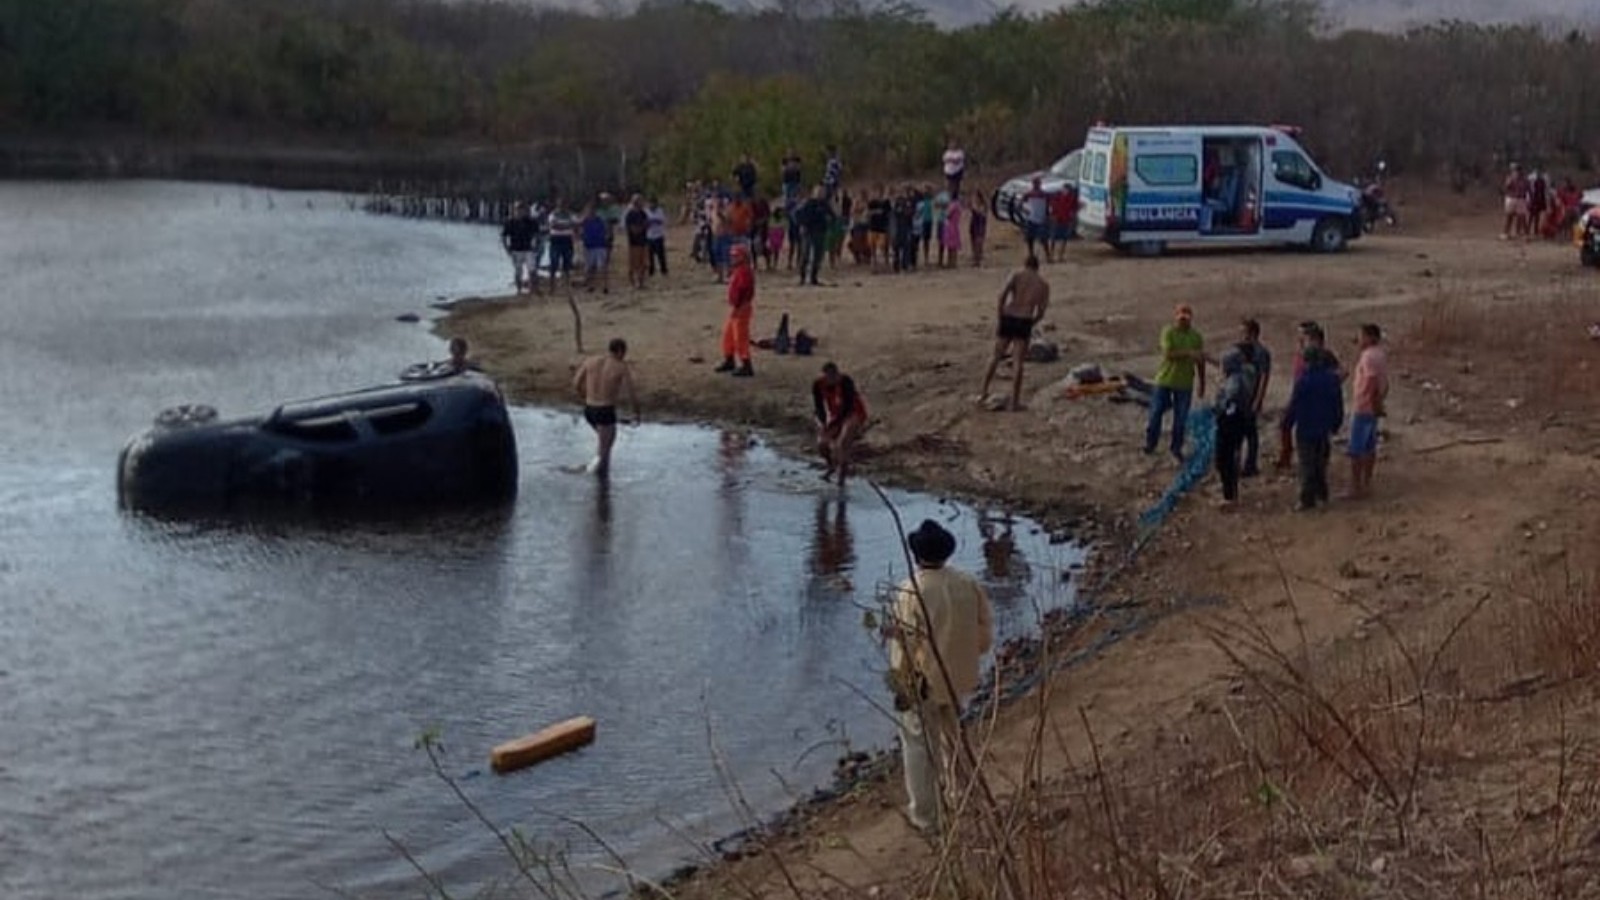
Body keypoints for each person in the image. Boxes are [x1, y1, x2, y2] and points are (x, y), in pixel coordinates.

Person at [885, 519, 994, 835]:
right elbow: (985, 635)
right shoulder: (968, 582)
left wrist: (900, 682)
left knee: (919, 746)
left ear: (916, 554)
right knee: (955, 739)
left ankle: (926, 816)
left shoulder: (910, 591)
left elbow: (903, 645)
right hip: (959, 677)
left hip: (922, 683)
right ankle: (963, 798)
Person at [978, 255, 1050, 411]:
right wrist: (1032, 323)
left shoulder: (1016, 275)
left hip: (1009, 316)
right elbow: (1042, 311)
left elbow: (1002, 295)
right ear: (1037, 267)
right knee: (1018, 362)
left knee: (996, 356)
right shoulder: (1043, 284)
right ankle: (1015, 402)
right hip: (1025, 319)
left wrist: (1000, 314)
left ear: (1025, 264)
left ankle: (983, 392)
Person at [1274, 321, 1342, 471]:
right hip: (1301, 391)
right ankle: (1287, 456)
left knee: (1306, 431)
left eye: (1303, 335)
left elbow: (1341, 372)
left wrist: (1329, 386)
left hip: (1310, 394)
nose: (1299, 338)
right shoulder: (1303, 352)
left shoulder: (1322, 354)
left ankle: (1304, 463)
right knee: (1288, 426)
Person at [1282, 346, 1344, 511]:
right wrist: (1336, 423)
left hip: (1306, 427)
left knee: (1307, 464)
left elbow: (1294, 405)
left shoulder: (1303, 381)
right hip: (1324, 427)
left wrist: (1286, 424)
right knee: (1320, 463)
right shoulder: (1332, 380)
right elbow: (1338, 404)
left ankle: (1307, 499)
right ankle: (1322, 494)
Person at [1144, 304, 1206, 461]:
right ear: (1176, 316)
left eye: (1186, 316)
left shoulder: (1196, 337)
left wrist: (1202, 382)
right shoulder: (1168, 332)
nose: (1183, 319)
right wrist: (1188, 353)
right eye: (1181, 316)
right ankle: (1151, 443)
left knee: (1181, 418)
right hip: (1165, 379)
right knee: (1155, 413)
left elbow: (1200, 361)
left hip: (1184, 383)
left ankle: (1176, 448)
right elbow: (1168, 354)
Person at [572, 337, 641, 478]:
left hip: (589, 410)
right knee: (605, 452)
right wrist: (636, 412)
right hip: (605, 410)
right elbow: (631, 392)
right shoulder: (620, 366)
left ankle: (599, 479)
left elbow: (576, 383)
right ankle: (596, 481)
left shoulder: (590, 361)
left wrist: (586, 397)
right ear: (621, 351)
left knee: (605, 444)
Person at [1212, 343, 1260, 508]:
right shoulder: (1245, 375)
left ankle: (1229, 496)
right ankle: (1232, 492)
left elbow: (1228, 405)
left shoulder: (1234, 383)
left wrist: (1220, 407)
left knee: (1223, 460)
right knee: (1231, 459)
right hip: (1239, 424)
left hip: (1230, 426)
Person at [1346, 323, 1389, 499]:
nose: (1359, 340)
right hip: (1372, 407)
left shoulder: (1368, 357)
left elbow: (1371, 382)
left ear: (1370, 337)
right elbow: (1384, 382)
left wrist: (1374, 403)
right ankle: (1367, 483)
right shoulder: (1380, 354)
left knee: (1356, 450)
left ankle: (1356, 487)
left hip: (1364, 406)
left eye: (1362, 336)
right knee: (1369, 446)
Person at [812, 362, 870, 484]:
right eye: (828, 378)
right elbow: (819, 407)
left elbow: (848, 408)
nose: (831, 381)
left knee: (842, 443)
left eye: (834, 377)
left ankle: (841, 478)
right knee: (822, 444)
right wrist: (823, 424)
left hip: (853, 413)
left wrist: (834, 424)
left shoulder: (846, 382)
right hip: (835, 415)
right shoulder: (818, 385)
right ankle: (831, 466)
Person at [715, 243, 756, 377]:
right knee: (729, 335)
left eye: (736, 256)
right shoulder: (739, 270)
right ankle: (729, 359)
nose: (733, 258)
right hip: (737, 307)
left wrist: (738, 306)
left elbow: (743, 291)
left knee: (740, 337)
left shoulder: (744, 271)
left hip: (741, 307)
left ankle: (746, 364)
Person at [1238, 318, 1272, 477]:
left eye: (1244, 332)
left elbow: (1264, 377)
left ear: (1252, 333)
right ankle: (1242, 464)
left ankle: (1249, 465)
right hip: (1241, 396)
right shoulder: (1242, 350)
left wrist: (1258, 399)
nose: (1241, 336)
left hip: (1250, 397)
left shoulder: (1261, 353)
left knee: (1250, 433)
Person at [794, 186, 833, 286]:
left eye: (822, 192)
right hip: (809, 232)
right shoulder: (808, 203)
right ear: (814, 193)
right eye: (819, 192)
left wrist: (830, 220)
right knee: (805, 254)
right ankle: (802, 278)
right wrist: (802, 225)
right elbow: (797, 214)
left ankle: (813, 277)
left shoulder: (825, 204)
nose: (821, 194)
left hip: (820, 232)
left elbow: (832, 216)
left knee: (818, 256)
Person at [501, 202, 539, 294]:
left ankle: (532, 290)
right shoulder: (510, 222)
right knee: (518, 271)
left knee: (532, 270)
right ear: (515, 211)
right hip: (515, 249)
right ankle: (519, 290)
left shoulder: (531, 222)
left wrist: (536, 246)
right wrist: (507, 249)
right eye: (518, 210)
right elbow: (504, 236)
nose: (520, 212)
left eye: (522, 210)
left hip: (528, 249)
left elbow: (537, 235)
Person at [545, 199, 577, 289]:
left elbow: (576, 224)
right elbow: (554, 225)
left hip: (567, 240)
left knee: (567, 263)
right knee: (554, 263)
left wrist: (564, 226)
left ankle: (566, 284)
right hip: (556, 240)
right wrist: (568, 225)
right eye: (560, 205)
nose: (562, 207)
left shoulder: (571, 214)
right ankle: (552, 286)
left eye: (564, 205)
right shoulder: (553, 214)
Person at [579, 204, 610, 294]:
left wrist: (606, 238)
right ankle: (591, 285)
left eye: (592, 210)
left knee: (602, 266)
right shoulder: (584, 221)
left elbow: (606, 230)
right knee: (590, 267)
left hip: (600, 245)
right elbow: (578, 229)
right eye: (589, 211)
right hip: (589, 246)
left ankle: (605, 286)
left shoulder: (600, 220)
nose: (591, 212)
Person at [623, 194, 650, 289]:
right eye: (639, 201)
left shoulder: (643, 213)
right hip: (634, 243)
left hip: (643, 241)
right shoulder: (630, 215)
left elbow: (647, 225)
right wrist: (643, 226)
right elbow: (633, 230)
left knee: (644, 264)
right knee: (633, 264)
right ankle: (632, 283)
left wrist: (644, 226)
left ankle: (641, 282)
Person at [1021, 177, 1049, 260]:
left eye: (1038, 183)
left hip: (1040, 219)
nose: (1036, 185)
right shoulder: (1029, 194)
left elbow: (1047, 207)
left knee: (1043, 239)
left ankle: (1047, 255)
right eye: (1035, 183)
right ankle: (1031, 254)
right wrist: (1025, 211)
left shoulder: (1044, 194)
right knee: (1030, 238)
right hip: (1032, 218)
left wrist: (1046, 216)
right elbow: (1021, 203)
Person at [866, 186, 892, 272]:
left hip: (883, 227)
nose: (878, 193)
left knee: (884, 247)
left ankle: (886, 264)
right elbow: (868, 213)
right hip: (873, 227)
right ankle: (874, 265)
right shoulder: (872, 202)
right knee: (873, 247)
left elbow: (889, 213)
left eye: (880, 192)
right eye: (877, 192)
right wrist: (875, 212)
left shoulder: (886, 202)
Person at [1047, 188, 1075, 262]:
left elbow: (1072, 209)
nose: (1066, 192)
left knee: (1062, 238)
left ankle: (1059, 256)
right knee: (1056, 238)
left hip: (1063, 220)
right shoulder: (1058, 197)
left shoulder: (1070, 198)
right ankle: (1053, 255)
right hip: (1059, 220)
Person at [1502, 163, 1530, 240]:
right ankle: (1505, 233)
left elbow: (1528, 190)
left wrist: (1527, 199)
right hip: (1511, 198)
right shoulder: (1510, 178)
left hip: (1521, 199)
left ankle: (1525, 234)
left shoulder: (1524, 180)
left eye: (1517, 170)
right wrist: (1509, 182)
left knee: (1522, 217)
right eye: (1514, 170)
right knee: (1509, 216)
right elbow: (1505, 188)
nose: (1516, 172)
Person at [646, 196, 669, 277]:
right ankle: (651, 271)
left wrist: (654, 221)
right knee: (649, 255)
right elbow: (645, 223)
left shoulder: (660, 211)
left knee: (661, 255)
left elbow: (662, 221)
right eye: (650, 203)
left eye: (653, 203)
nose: (652, 205)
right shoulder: (646, 212)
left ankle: (664, 271)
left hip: (658, 235)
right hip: (649, 236)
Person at [968, 190, 987, 268]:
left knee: (978, 242)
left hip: (980, 225)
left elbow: (980, 213)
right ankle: (975, 258)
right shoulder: (975, 205)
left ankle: (978, 259)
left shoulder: (983, 206)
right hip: (974, 224)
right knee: (973, 241)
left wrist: (974, 207)